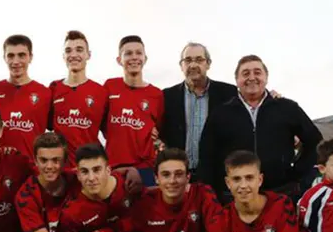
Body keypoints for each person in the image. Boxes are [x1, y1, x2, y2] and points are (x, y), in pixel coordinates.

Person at [197, 55, 322, 200]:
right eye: (245, 73)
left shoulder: (288, 108)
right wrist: (213, 195)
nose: (252, 78)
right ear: (237, 80)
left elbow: (315, 141)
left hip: (281, 193)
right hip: (235, 197)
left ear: (266, 77)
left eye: (257, 72)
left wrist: (297, 173)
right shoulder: (220, 113)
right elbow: (206, 157)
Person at [160, 43, 237, 176]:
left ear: (208, 64)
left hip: (217, 174)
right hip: (179, 175)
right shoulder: (167, 96)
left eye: (199, 60)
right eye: (188, 60)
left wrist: (272, 96)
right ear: (181, 65)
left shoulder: (229, 93)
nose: (193, 65)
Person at [103, 35, 164, 186]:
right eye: (128, 53)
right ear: (119, 60)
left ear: (145, 58)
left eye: (139, 53)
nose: (134, 57)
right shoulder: (110, 87)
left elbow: (160, 130)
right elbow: (100, 122)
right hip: (114, 167)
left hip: (145, 168)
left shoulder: (156, 94)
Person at [0, 34, 51, 163]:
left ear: (30, 57)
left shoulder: (45, 93)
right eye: (11, 56)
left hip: (31, 166)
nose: (16, 61)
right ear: (4, 58)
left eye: (21, 55)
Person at [49, 30, 107, 168]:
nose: (73, 55)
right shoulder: (53, 89)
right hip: (60, 169)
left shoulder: (101, 92)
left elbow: (114, 129)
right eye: (68, 51)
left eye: (79, 50)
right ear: (63, 56)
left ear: (88, 55)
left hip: (89, 168)